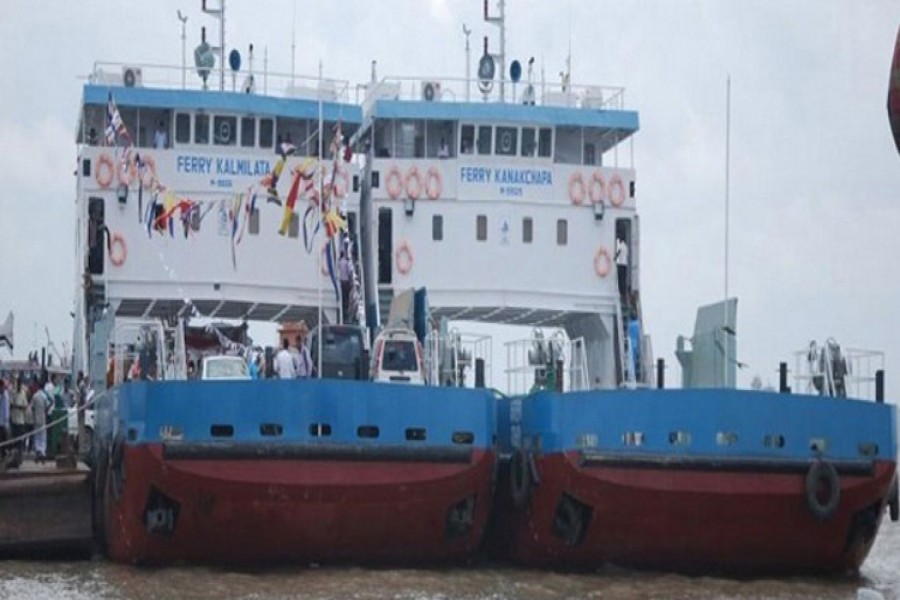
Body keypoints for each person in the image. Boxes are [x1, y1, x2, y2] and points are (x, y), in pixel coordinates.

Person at [338, 250, 352, 323]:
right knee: (347, 296)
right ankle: (346, 309)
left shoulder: (339, 262)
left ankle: (344, 308)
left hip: (341, 281)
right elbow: (349, 271)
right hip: (346, 280)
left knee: (343, 296)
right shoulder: (346, 262)